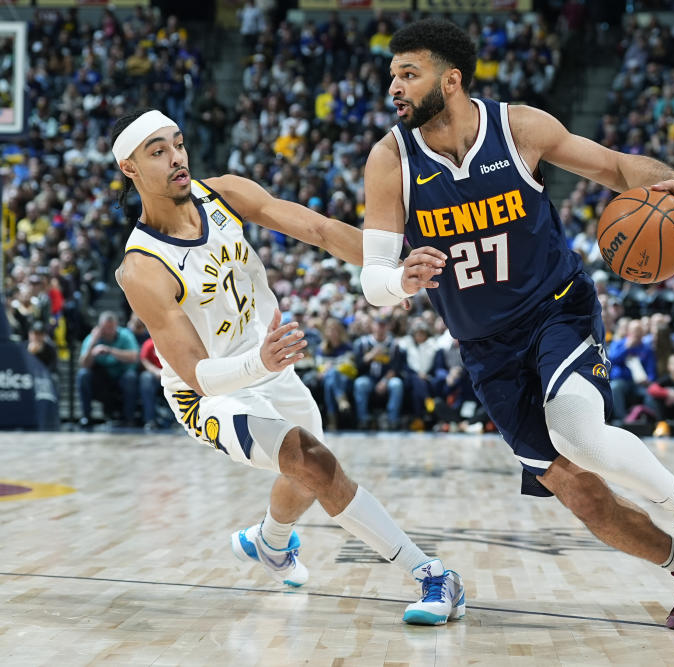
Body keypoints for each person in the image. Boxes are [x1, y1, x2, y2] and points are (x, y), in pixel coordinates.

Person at [359, 19, 674, 633]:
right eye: (393, 76)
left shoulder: (519, 128)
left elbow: (617, 169)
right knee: (581, 493)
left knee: (578, 430)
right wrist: (398, 281)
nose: (395, 88)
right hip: (486, 349)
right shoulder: (391, 159)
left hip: (556, 309)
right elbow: (374, 275)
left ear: (452, 79)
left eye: (408, 74)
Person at [111, 108, 464, 625]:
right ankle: (432, 574)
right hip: (211, 392)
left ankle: (270, 543)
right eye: (157, 152)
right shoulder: (141, 267)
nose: (177, 158)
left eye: (178, 144)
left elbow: (320, 229)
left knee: (304, 477)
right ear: (131, 169)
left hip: (271, 363)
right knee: (314, 463)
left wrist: (391, 265)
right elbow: (197, 375)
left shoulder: (223, 193)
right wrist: (259, 360)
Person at [76, 311, 140, 428]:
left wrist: (110, 350)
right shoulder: (92, 338)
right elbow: (84, 364)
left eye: (111, 328)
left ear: (116, 326)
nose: (109, 331)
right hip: (101, 381)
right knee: (83, 375)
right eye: (106, 328)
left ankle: (129, 418)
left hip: (121, 378)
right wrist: (92, 344)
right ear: (100, 327)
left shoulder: (125, 335)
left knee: (130, 377)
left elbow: (134, 357)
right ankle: (86, 417)